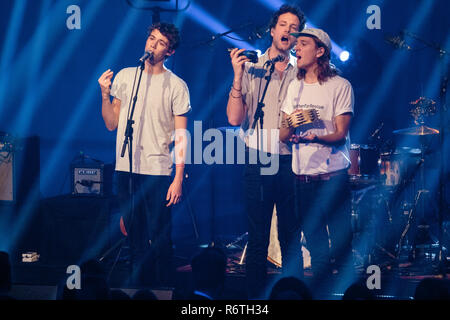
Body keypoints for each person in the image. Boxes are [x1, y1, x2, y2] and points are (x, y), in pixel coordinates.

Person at [98, 22, 191, 287]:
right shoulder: (127, 77)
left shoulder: (176, 86)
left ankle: (163, 290)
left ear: (169, 52)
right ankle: (139, 290)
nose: (153, 44)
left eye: (160, 42)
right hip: (126, 169)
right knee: (135, 239)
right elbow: (111, 124)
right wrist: (105, 95)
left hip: (158, 171)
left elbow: (182, 135)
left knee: (160, 237)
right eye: (151, 38)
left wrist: (178, 177)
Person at [226, 4, 306, 299]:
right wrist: (237, 76)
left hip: (291, 161)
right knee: (257, 237)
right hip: (257, 158)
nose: (288, 30)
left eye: (294, 26)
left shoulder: (303, 73)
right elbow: (234, 119)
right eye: (283, 24)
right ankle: (256, 299)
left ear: (299, 36)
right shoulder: (253, 67)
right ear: (272, 31)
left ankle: (294, 295)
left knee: (290, 237)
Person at [280, 28, 355, 291]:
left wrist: (315, 137)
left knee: (342, 243)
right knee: (315, 245)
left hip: (332, 178)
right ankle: (323, 294)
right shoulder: (294, 87)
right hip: (303, 179)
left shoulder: (339, 86)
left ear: (320, 51)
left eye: (302, 44)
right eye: (295, 45)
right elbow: (283, 134)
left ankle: (347, 294)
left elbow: (340, 134)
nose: (295, 49)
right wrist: (292, 121)